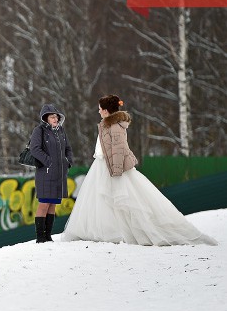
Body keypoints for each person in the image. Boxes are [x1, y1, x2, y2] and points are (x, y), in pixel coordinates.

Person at [61, 94, 217, 246]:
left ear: (107, 110)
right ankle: (104, 230)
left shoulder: (115, 126)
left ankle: (119, 232)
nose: (99, 111)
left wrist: (116, 171)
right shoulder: (106, 124)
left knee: (120, 199)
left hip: (114, 167)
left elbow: (118, 149)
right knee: (102, 200)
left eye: (100, 108)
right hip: (102, 165)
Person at [29, 103, 74, 243]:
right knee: (44, 204)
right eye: (51, 117)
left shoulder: (61, 131)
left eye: (56, 116)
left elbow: (68, 148)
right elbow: (34, 149)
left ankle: (48, 235)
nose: (55, 119)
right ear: (45, 119)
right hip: (45, 173)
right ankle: (40, 237)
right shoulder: (39, 131)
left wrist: (68, 160)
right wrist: (48, 162)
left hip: (59, 174)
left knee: (53, 204)